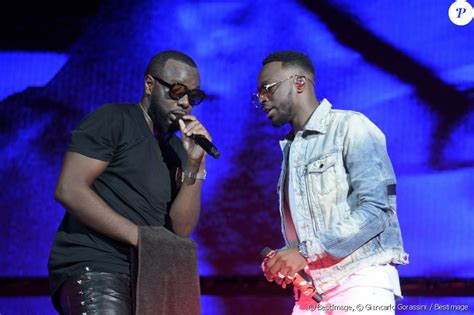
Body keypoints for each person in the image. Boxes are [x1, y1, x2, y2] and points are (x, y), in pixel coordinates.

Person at [48, 50, 210, 314]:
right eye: (177, 90)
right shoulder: (114, 119)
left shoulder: (178, 150)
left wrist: (195, 166)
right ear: (149, 85)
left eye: (193, 96)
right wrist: (140, 237)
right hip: (98, 265)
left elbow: (180, 232)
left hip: (148, 274)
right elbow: (69, 189)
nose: (185, 103)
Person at [256, 50, 409, 314]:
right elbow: (312, 230)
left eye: (268, 89)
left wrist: (304, 252)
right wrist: (286, 258)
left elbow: (377, 210)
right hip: (312, 292)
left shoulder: (350, 127)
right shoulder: (292, 150)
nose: (262, 99)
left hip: (359, 284)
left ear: (300, 82)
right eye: (259, 94)